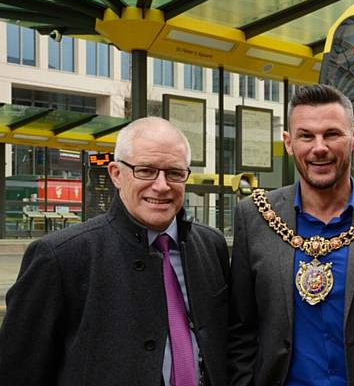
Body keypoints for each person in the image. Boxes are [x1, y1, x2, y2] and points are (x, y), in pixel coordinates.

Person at [0, 117, 229, 386]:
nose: (161, 185)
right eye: (146, 170)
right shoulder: (60, 257)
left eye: (175, 173)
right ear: (116, 174)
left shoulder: (211, 246)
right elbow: (18, 372)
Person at [228, 84, 354, 386]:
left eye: (332, 134)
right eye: (306, 135)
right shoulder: (255, 217)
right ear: (288, 142)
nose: (319, 147)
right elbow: (240, 332)